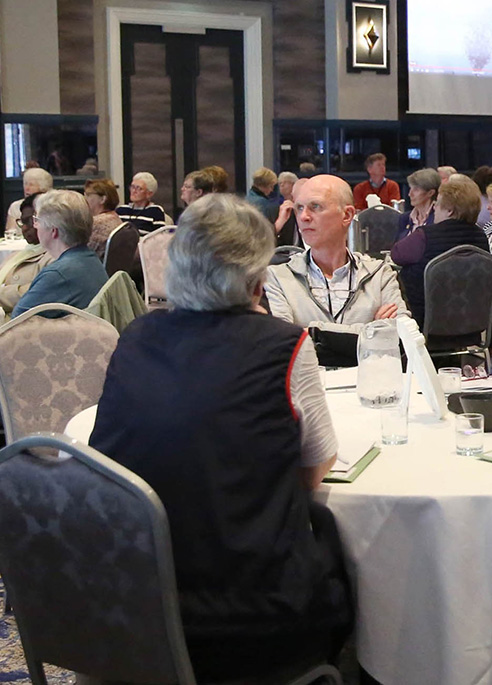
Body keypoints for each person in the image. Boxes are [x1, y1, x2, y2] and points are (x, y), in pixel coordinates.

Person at [88, 193, 353, 682]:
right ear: (257, 279)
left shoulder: (136, 337)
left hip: (132, 608)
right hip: (254, 620)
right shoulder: (285, 344)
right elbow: (315, 468)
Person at [265, 174, 408, 333]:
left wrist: (311, 332)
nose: (303, 216)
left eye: (315, 206)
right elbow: (283, 342)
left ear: (347, 215)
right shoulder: (278, 277)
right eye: (299, 208)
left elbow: (402, 334)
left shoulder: (380, 274)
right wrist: (371, 329)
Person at [390, 176, 489, 328]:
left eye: (438, 204)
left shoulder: (424, 236)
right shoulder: (481, 237)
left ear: (449, 211)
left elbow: (396, 255)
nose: (434, 207)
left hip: (425, 323)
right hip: (471, 325)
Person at [12, 189, 108, 318]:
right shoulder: (90, 260)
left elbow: (17, 323)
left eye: (37, 220)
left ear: (53, 231)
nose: (35, 226)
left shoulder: (58, 274)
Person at [0, 192, 54, 316]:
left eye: (29, 221)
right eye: (23, 222)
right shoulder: (19, 253)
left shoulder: (55, 257)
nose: (24, 228)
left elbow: (36, 294)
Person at [82, 178, 122, 260]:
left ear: (103, 199)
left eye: (88, 195)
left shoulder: (96, 223)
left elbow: (82, 255)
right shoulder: (115, 217)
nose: (84, 199)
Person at [5, 168, 54, 236]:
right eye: (25, 184)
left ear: (43, 187)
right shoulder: (15, 206)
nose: (27, 188)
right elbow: (10, 233)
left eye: (31, 185)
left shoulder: (52, 206)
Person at [396, 168, 439, 243]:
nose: (410, 194)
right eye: (410, 188)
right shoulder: (405, 218)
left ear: (430, 193)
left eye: (416, 190)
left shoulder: (438, 218)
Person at [274, 171, 300, 246]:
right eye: (280, 183)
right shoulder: (278, 208)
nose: (281, 185)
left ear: (293, 184)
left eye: (285, 182)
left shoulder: (303, 209)